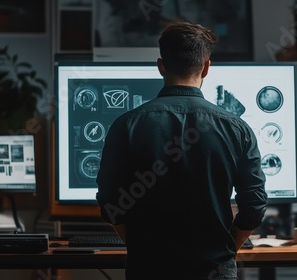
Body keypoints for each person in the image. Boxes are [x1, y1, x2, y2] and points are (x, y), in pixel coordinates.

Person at [96, 21, 267, 280]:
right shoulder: (237, 129)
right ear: (206, 67)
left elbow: (110, 202)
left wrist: (138, 245)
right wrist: (227, 249)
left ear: (161, 66)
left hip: (148, 269)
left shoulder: (126, 126)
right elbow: (254, 207)